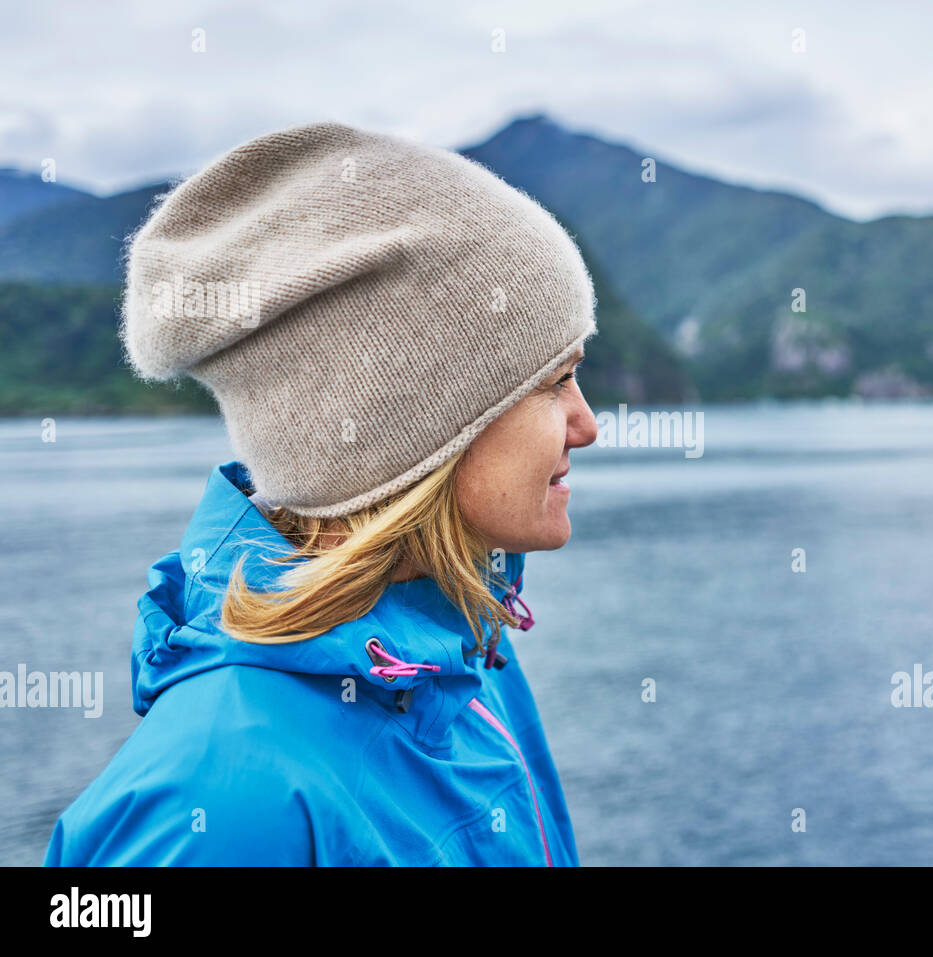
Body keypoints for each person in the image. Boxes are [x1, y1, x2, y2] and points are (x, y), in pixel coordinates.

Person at [42, 121, 598, 865]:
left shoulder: (464, 660)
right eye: (556, 380)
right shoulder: (217, 804)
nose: (586, 423)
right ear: (414, 428)